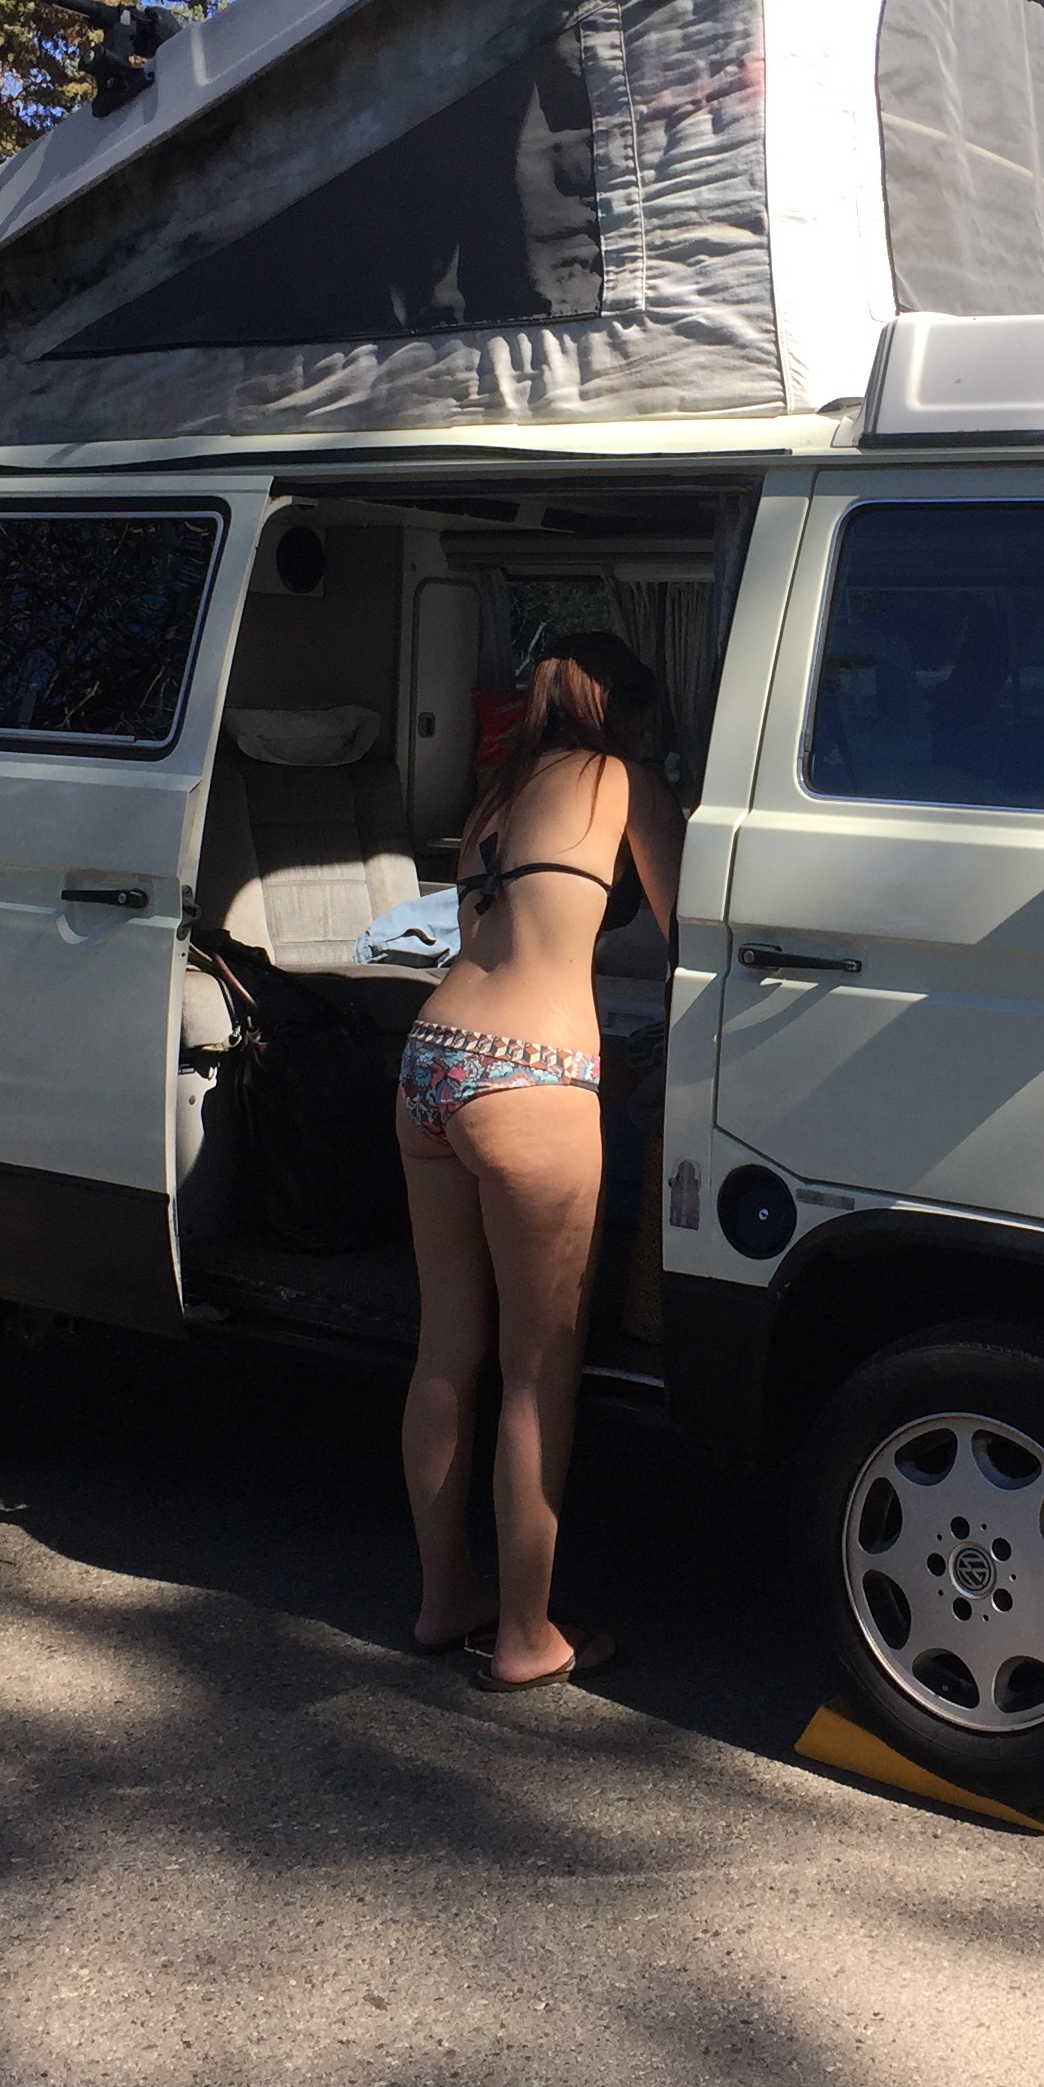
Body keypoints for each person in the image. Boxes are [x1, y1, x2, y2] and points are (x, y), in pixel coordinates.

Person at [395, 633, 683, 1690]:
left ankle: (444, 1600)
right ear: (628, 709)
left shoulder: (495, 799)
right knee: (537, 1371)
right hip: (532, 1072)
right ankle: (526, 1635)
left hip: (431, 1060)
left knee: (444, 1354)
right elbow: (701, 936)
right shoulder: (626, 781)